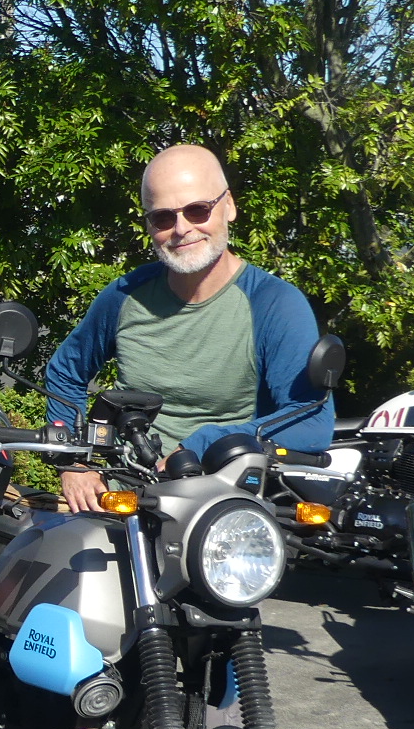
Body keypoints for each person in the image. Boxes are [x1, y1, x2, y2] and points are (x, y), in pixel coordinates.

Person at [45, 145, 332, 513]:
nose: (182, 229)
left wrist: (205, 443)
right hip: (124, 505)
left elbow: (312, 419)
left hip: (226, 513)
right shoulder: (124, 296)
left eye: (198, 210)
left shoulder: (274, 304)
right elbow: (65, 372)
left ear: (229, 205)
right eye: (163, 217)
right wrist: (73, 461)